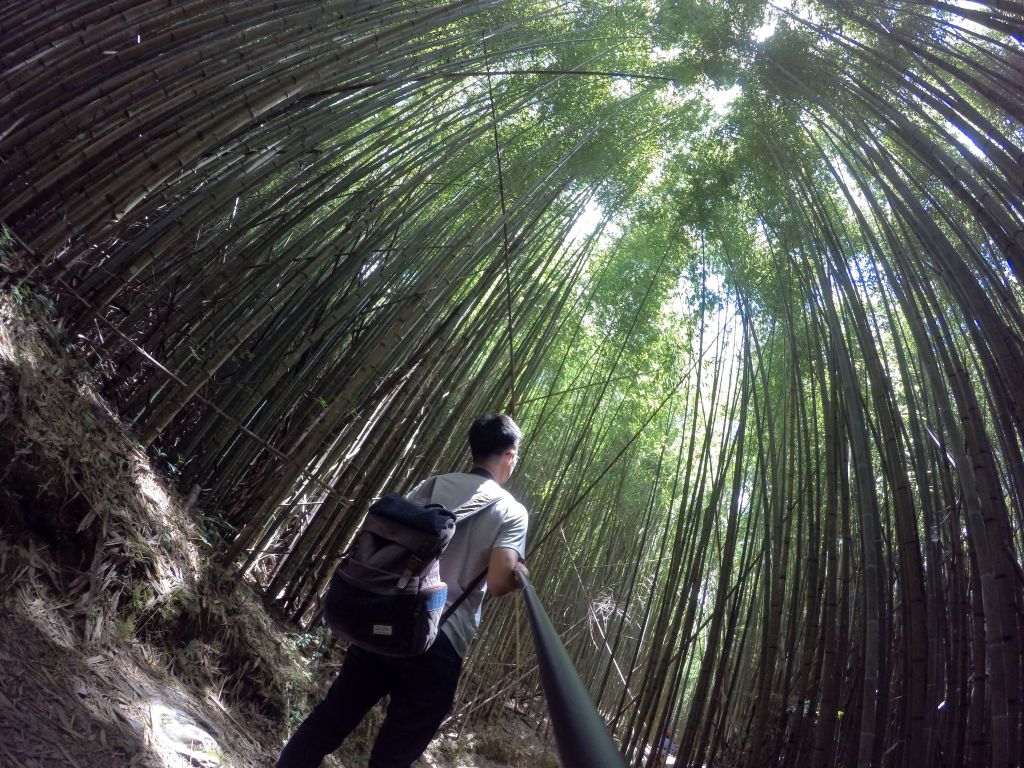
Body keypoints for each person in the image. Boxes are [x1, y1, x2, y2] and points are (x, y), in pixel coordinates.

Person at [278, 412, 529, 768]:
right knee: (394, 755)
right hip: (442, 639)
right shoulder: (511, 511)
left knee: (331, 718)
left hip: (389, 616)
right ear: (509, 455)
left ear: (473, 449)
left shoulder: (433, 484)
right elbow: (500, 582)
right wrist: (520, 572)